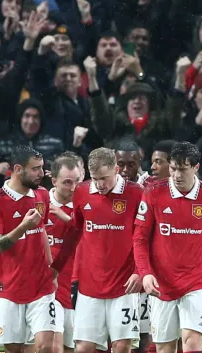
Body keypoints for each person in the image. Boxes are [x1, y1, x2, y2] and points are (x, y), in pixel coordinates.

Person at [134, 141, 202, 353]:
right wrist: (145, 273)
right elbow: (139, 238)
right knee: (165, 349)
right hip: (161, 283)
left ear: (196, 167)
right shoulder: (153, 193)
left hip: (197, 282)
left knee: (192, 343)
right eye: (173, 168)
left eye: (183, 169)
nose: (177, 175)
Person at [51, 147, 144, 353]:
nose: (100, 185)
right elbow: (76, 231)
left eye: (104, 178)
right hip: (89, 285)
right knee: (84, 347)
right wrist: (56, 267)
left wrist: (139, 271)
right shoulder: (82, 192)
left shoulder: (136, 194)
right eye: (95, 179)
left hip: (124, 285)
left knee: (121, 346)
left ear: (116, 169)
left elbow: (144, 237)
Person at [0, 145, 56, 353]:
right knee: (15, 349)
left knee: (45, 347)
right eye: (35, 169)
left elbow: (41, 232)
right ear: (17, 169)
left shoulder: (42, 195)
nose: (41, 173)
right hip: (10, 288)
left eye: (42, 168)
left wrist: (53, 270)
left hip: (41, 286)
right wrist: (23, 226)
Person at [45, 155, 82, 353]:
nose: (73, 187)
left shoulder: (85, 206)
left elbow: (95, 240)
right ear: (54, 181)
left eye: (77, 181)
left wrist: (67, 218)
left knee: (71, 348)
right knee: (53, 346)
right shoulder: (40, 205)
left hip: (77, 289)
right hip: (51, 288)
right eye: (67, 182)